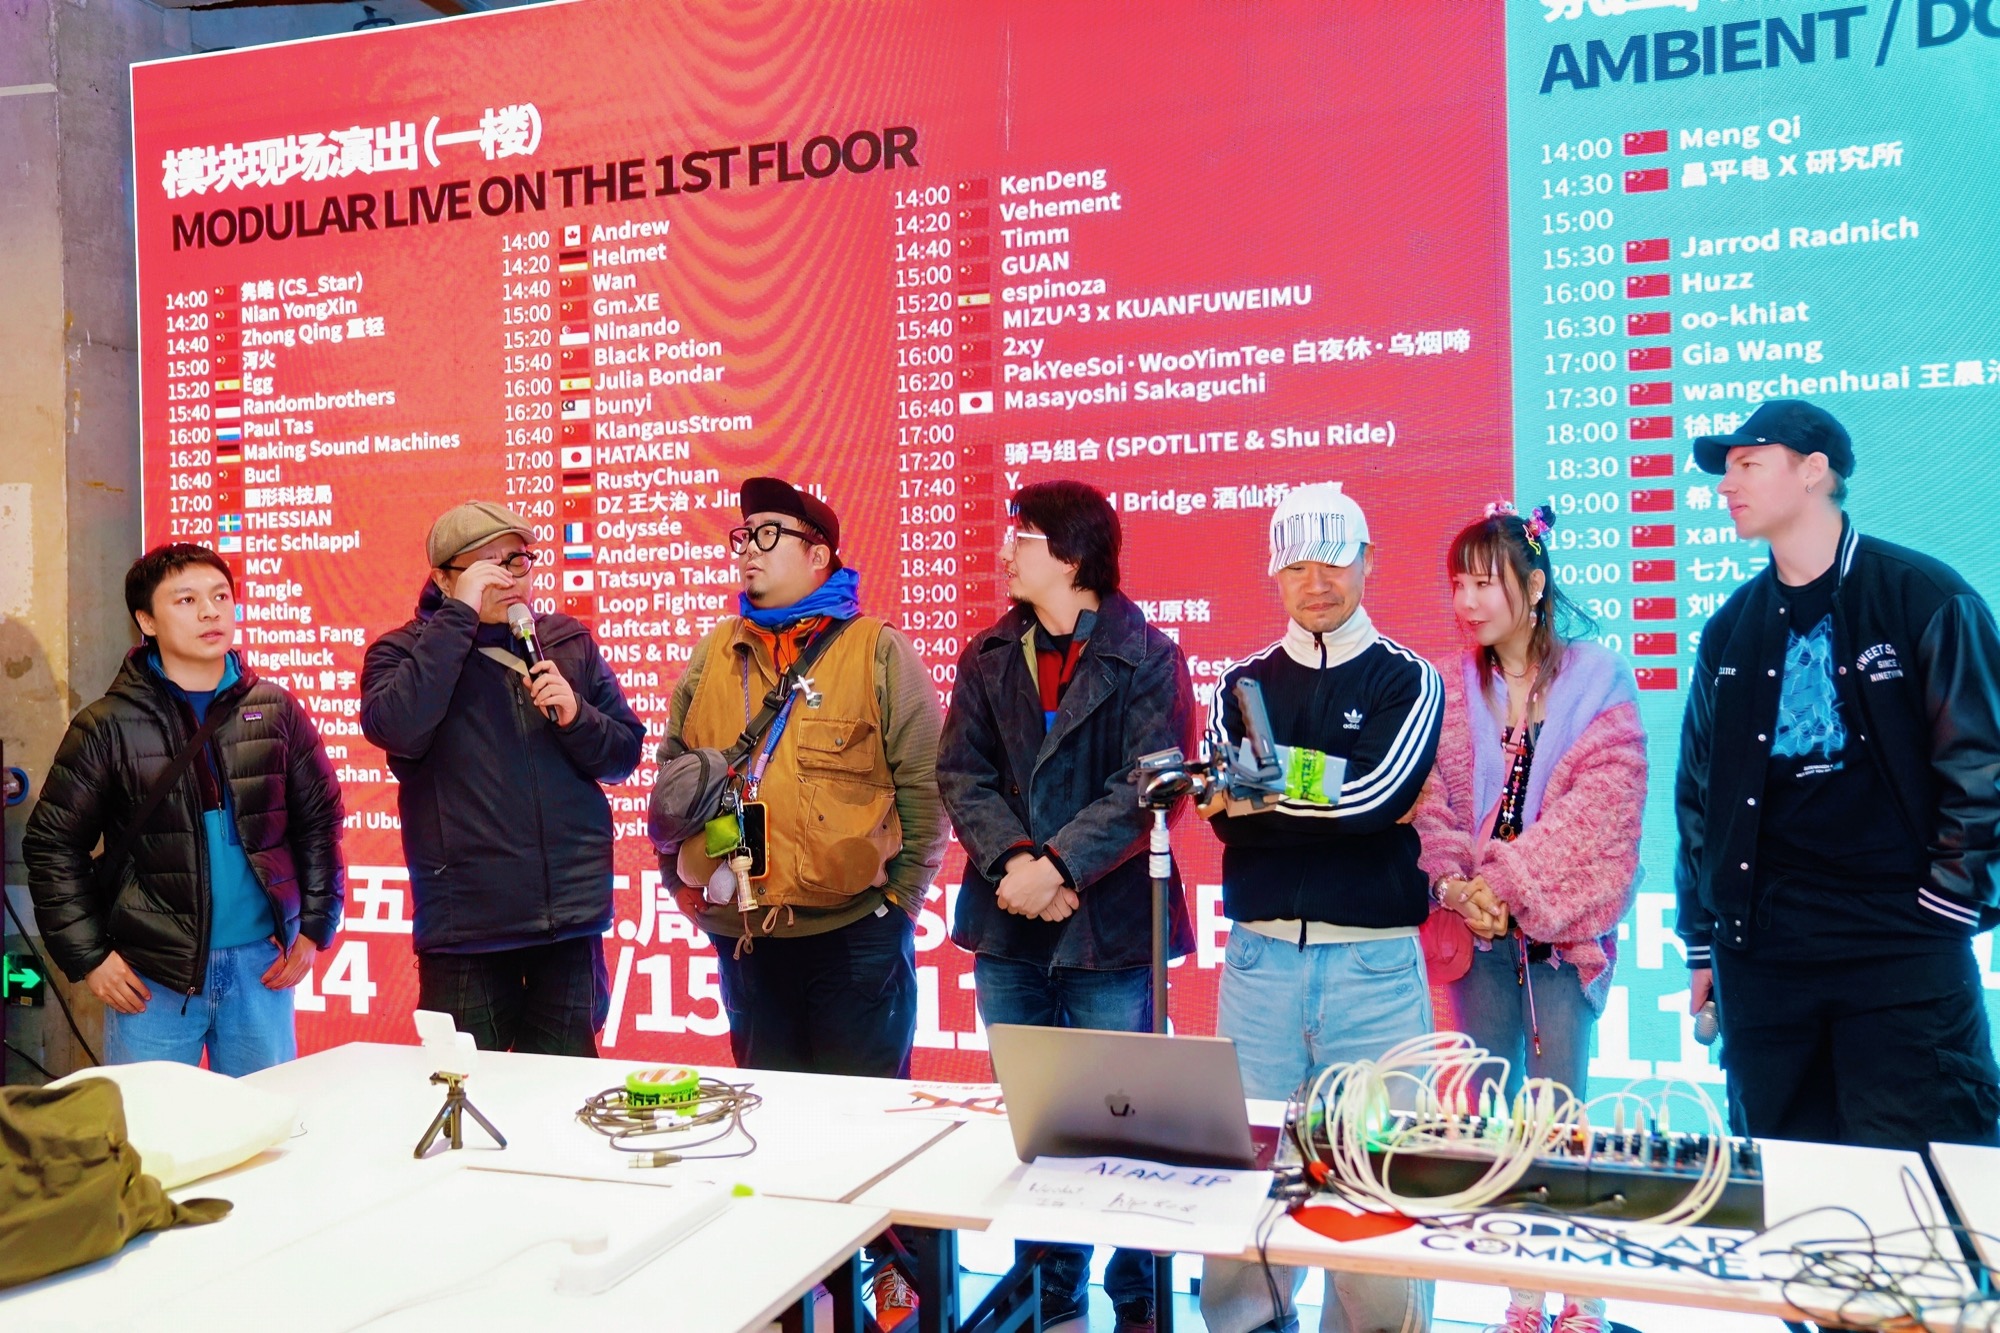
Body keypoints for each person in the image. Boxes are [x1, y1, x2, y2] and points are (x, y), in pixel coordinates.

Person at [1676, 399, 2000, 1152]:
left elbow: (1982, 767)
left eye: (1748, 463)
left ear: (1813, 471)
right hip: (1766, 968)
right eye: (1726, 470)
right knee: (1789, 1188)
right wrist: (1703, 941)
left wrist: (1946, 906)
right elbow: (1699, 795)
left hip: (1901, 957)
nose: (1726, 485)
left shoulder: (1922, 595)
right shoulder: (1730, 628)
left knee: (1919, 1188)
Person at [938, 480, 1196, 1333]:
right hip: (1009, 918)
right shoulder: (988, 653)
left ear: (1075, 555)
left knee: (1126, 1121)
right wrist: (1018, 861)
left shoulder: (1147, 655)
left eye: (1023, 537)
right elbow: (961, 773)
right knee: (1037, 1124)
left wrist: (1057, 865)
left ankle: (1137, 1291)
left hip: (1109, 926)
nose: (1004, 550)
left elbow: (1151, 784)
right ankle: (1050, 1290)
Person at [1198, 483, 1442, 1333]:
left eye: (1334, 560)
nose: (1316, 581)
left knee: (1375, 1183)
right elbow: (1222, 806)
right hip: (1258, 962)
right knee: (1246, 1175)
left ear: (1368, 561)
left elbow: (1379, 795)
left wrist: (1266, 788)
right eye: (1297, 564)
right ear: (1274, 573)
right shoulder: (1239, 680)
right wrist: (1326, 789)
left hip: (1373, 968)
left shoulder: (1409, 677)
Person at [1411, 504, 1646, 1333]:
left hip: (1559, 940)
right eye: (1458, 584)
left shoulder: (1597, 679)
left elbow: (1602, 810)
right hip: (1476, 940)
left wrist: (1503, 884)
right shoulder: (1448, 687)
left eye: (1486, 582)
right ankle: (1519, 1295)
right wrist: (1454, 886)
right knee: (1486, 1112)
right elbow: (1430, 799)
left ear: (1535, 584)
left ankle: (1580, 1295)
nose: (1468, 601)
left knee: (1561, 1113)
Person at [654, 477, 946, 1078]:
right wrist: (677, 881)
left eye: (769, 534)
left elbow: (928, 785)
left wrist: (899, 903)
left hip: (856, 935)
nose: (748, 549)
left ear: (819, 554)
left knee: (863, 1116)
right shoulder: (715, 653)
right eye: (743, 536)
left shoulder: (877, 650)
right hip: (746, 938)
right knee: (770, 1115)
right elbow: (674, 779)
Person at [24, 543, 344, 1075]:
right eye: (187, 600)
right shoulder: (106, 724)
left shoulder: (275, 709)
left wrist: (314, 927)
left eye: (221, 597)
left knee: (263, 1119)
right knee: (151, 1125)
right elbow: (52, 846)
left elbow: (320, 824)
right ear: (146, 621)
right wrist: (91, 958)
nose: (211, 612)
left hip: (262, 969)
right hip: (151, 978)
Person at [360, 501, 643, 1056]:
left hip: (568, 921)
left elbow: (623, 756)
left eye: (516, 561)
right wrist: (458, 617)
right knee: (463, 1090)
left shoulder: (565, 640)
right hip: (466, 929)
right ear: (444, 579)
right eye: (485, 567)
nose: (508, 578)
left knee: (562, 1091)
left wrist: (577, 717)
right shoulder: (403, 652)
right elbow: (396, 728)